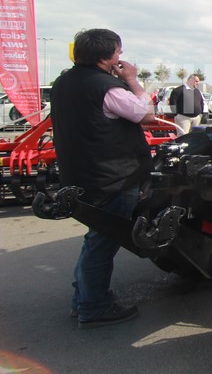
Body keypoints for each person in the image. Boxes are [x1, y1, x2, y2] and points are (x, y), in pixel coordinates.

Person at [50, 28, 155, 328]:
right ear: (107, 55)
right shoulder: (107, 88)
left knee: (94, 238)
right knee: (103, 242)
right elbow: (145, 114)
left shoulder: (63, 82)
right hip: (113, 179)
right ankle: (94, 307)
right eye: (118, 52)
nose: (121, 57)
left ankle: (81, 299)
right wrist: (132, 79)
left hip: (80, 175)